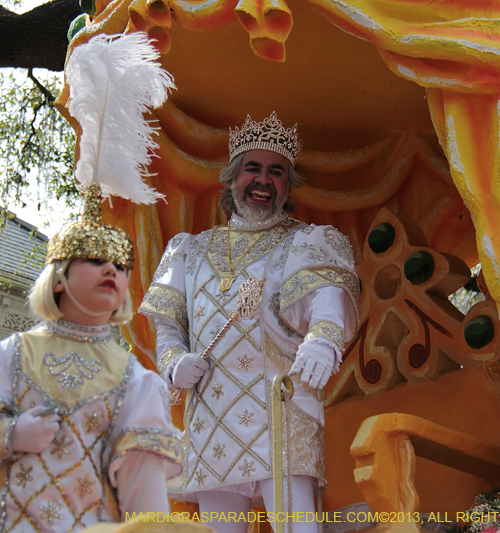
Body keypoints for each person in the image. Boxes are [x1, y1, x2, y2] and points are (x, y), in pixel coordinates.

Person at [139, 112, 359, 533]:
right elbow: (169, 326)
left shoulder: (304, 241)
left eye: (276, 172)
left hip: (281, 408)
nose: (263, 181)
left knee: (298, 530)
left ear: (287, 185)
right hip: (212, 416)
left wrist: (324, 340)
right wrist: (172, 362)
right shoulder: (190, 249)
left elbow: (328, 295)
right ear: (231, 180)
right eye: (252, 169)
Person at [0, 184, 182, 533]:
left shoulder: (136, 380)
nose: (111, 270)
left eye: (121, 267)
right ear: (59, 277)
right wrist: (11, 435)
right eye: (95, 260)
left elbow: (144, 487)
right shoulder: (7, 356)